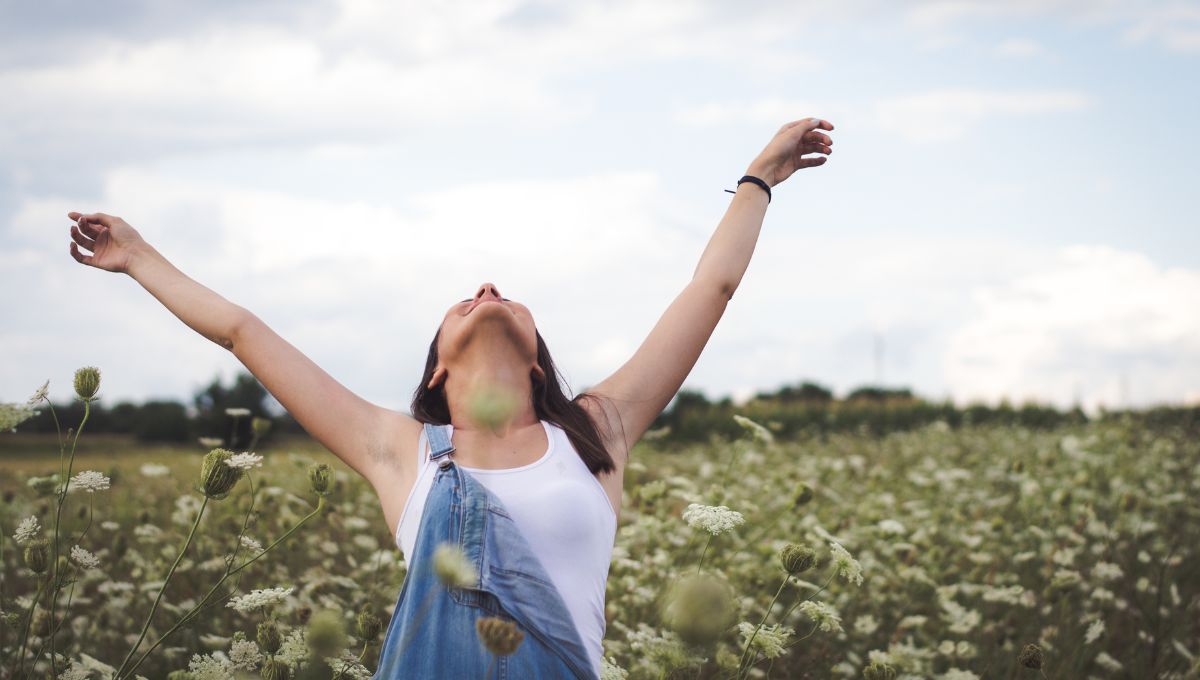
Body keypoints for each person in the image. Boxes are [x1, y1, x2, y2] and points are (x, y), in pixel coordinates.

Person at [65, 116, 834, 678]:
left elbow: (711, 287)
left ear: (538, 364)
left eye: (506, 297)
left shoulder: (597, 430)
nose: (488, 288)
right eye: (466, 298)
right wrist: (138, 257)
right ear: (435, 372)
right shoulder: (399, 451)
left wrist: (758, 179)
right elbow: (241, 332)